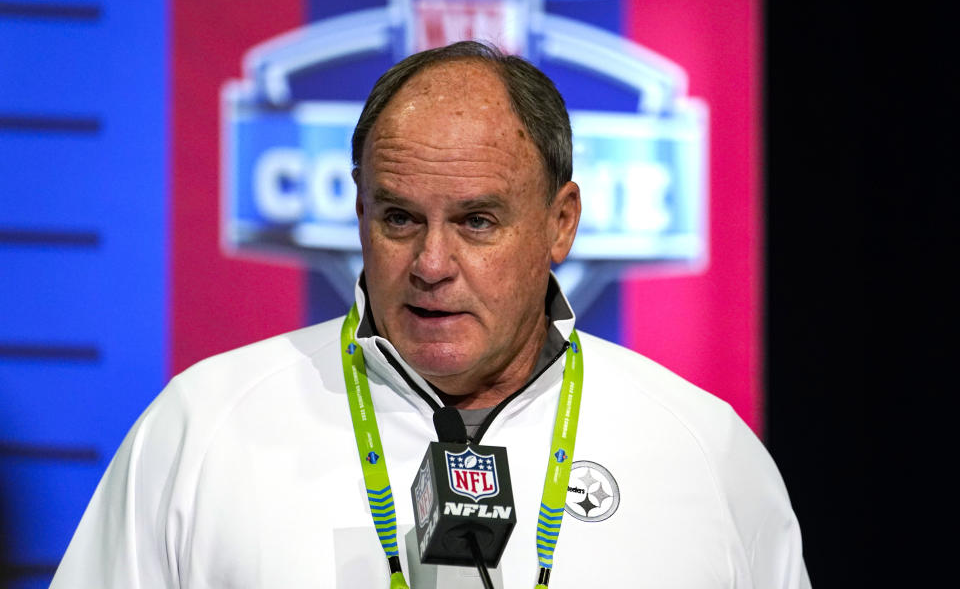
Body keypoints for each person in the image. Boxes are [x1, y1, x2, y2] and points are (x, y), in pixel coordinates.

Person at [51, 41, 810, 588]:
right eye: (400, 218)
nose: (432, 264)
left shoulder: (704, 452)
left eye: (477, 221)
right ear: (358, 214)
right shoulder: (202, 427)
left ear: (560, 222)